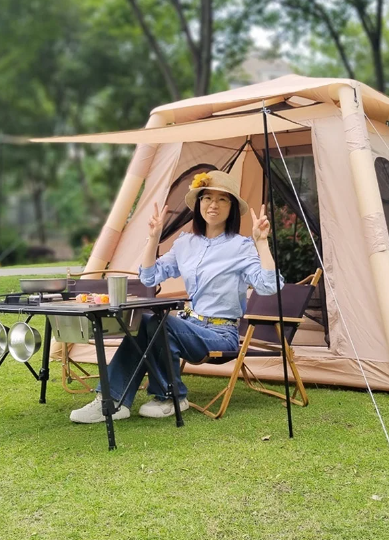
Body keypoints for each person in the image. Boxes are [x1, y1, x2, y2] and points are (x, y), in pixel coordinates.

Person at [70, 170, 283, 424]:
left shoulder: (241, 246)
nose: (213, 205)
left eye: (222, 199)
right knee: (145, 321)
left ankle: (171, 397)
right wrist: (153, 239)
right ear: (199, 204)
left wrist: (261, 243)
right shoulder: (185, 244)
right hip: (189, 324)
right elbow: (150, 277)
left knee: (160, 323)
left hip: (221, 334)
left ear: (232, 207)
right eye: (207, 198)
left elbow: (269, 286)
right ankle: (112, 401)